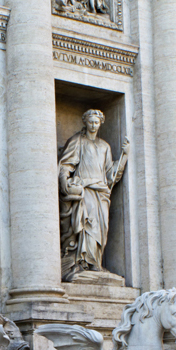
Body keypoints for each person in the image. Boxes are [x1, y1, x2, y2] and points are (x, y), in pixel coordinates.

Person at [58, 109, 129, 277]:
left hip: (101, 192)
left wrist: (124, 156)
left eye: (96, 122)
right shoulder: (77, 141)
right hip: (85, 189)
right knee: (88, 225)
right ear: (85, 122)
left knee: (101, 228)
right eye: (90, 121)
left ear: (100, 123)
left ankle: (95, 261)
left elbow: (110, 173)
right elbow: (66, 164)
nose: (93, 125)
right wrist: (65, 182)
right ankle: (83, 262)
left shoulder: (105, 146)